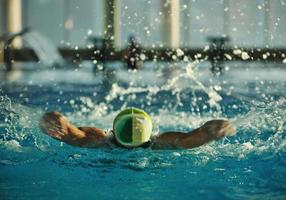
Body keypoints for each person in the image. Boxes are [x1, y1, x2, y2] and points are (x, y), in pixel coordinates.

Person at [39, 107, 236, 149]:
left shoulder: (98, 139)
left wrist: (53, 120)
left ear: (113, 132)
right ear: (150, 134)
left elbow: (70, 131)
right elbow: (194, 136)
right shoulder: (158, 143)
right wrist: (215, 128)